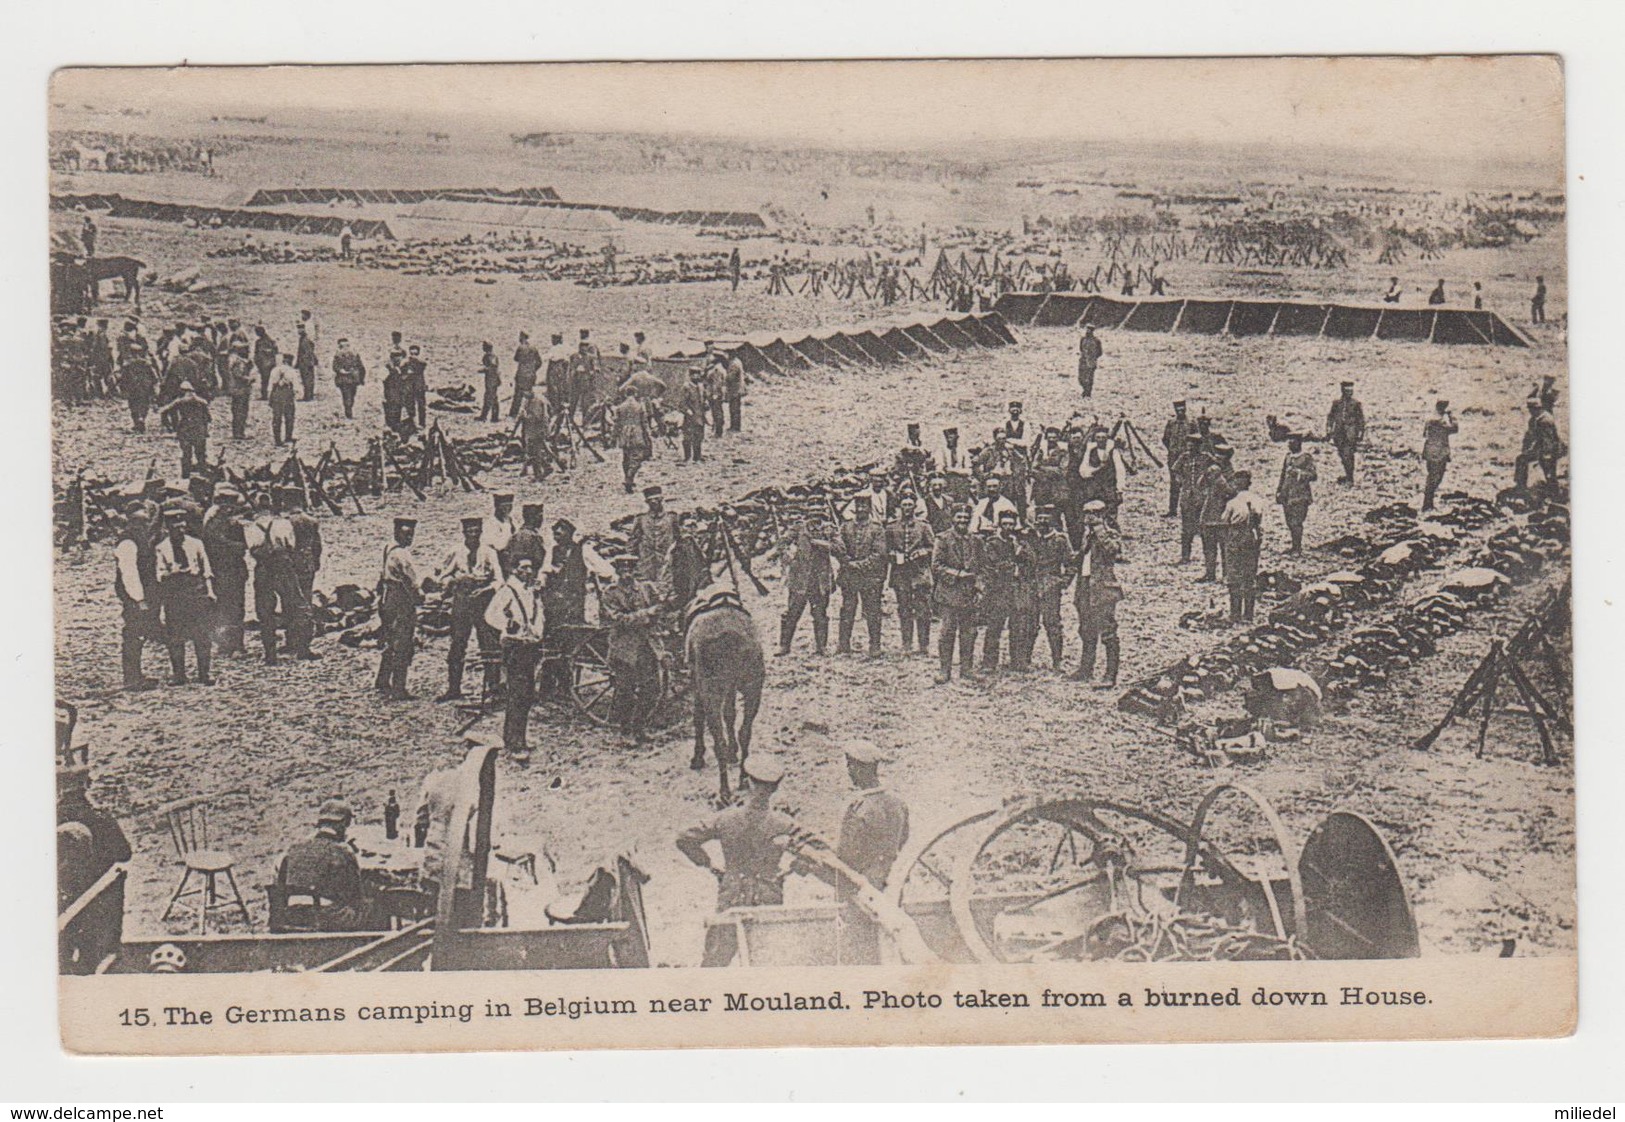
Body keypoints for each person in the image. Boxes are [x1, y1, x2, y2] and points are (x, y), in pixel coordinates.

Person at [676, 755, 800, 967]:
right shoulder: (785, 824)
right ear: (775, 789)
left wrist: (710, 865)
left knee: (714, 963)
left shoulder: (725, 819)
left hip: (732, 894)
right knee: (767, 962)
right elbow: (818, 849)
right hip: (768, 895)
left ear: (748, 782)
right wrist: (793, 868)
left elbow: (684, 838)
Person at [832, 740, 910, 965]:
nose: (849, 772)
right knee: (891, 937)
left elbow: (846, 855)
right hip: (893, 883)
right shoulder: (898, 804)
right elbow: (904, 841)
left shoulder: (859, 809)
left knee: (862, 947)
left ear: (857, 769)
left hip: (864, 888)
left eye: (850, 767)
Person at [484, 556, 544, 763]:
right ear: (515, 570)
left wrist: (537, 633)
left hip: (529, 645)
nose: (528, 571)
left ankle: (519, 737)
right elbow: (491, 614)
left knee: (526, 694)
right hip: (515, 647)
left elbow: (538, 615)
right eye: (523, 567)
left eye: (530, 567)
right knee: (518, 693)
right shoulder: (507, 591)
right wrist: (508, 625)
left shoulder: (529, 592)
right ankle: (513, 743)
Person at [600, 556, 662, 745]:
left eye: (630, 568)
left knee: (652, 690)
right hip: (624, 649)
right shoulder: (610, 593)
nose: (626, 572)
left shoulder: (646, 589)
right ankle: (625, 732)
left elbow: (659, 609)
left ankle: (639, 727)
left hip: (646, 646)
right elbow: (619, 619)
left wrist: (657, 612)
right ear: (617, 571)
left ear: (634, 570)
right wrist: (646, 614)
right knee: (625, 691)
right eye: (622, 569)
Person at [275, 799, 363, 932]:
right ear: (343, 824)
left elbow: (279, 886)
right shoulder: (342, 851)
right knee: (370, 905)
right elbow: (354, 892)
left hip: (291, 914)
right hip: (325, 916)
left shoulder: (294, 848)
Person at [247, 491, 314, 664]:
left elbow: (251, 550)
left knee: (265, 611)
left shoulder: (251, 527)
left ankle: (270, 655)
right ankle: (302, 649)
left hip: (263, 569)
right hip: (283, 567)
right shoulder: (282, 524)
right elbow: (291, 545)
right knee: (297, 605)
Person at [155, 502, 216, 686]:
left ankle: (205, 673)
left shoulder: (195, 543)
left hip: (196, 590)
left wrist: (210, 591)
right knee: (175, 636)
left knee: (202, 635)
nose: (179, 530)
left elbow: (206, 569)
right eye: (175, 526)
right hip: (175, 593)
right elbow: (159, 574)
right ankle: (179, 674)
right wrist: (172, 572)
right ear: (168, 528)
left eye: (182, 526)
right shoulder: (162, 548)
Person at [1071, 501, 1123, 687]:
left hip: (1103, 588)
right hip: (1085, 586)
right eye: (1086, 513)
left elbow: (1113, 551)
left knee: (1108, 631)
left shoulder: (1109, 533)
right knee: (1086, 629)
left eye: (1093, 514)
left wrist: (1099, 529)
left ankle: (1110, 674)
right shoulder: (1087, 536)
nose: (1088, 518)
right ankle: (1086, 669)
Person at [375, 517, 426, 700]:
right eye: (406, 534)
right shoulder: (402, 554)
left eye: (411, 534)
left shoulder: (389, 547)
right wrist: (420, 596)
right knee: (403, 643)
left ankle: (382, 679)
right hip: (400, 599)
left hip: (388, 597)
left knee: (390, 638)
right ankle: (399, 687)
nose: (409, 538)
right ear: (397, 532)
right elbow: (411, 580)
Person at [113, 508, 160, 691]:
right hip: (134, 596)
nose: (144, 526)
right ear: (133, 523)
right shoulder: (128, 542)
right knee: (133, 634)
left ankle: (136, 675)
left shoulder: (138, 539)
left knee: (139, 633)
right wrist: (138, 598)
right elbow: (129, 573)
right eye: (141, 523)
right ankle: (132, 679)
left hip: (142, 593)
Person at [837, 494, 888, 658]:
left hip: (870, 577)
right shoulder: (845, 527)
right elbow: (839, 548)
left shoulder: (877, 529)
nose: (860, 509)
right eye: (858, 506)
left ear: (869, 508)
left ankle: (875, 645)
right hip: (849, 577)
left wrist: (857, 565)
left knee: (873, 611)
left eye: (864, 506)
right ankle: (843, 645)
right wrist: (845, 561)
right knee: (847, 611)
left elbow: (879, 554)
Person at [932, 505, 978, 684]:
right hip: (949, 593)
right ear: (953, 518)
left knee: (969, 632)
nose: (963, 520)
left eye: (966, 517)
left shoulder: (976, 540)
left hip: (969, 593)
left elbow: (983, 567)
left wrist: (979, 586)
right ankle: (945, 670)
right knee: (947, 632)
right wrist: (957, 575)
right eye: (959, 517)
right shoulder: (943, 539)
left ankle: (966, 669)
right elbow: (936, 566)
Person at [778, 511, 835, 656]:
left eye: (818, 518)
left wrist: (822, 543)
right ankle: (784, 646)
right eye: (812, 516)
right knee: (792, 613)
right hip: (800, 580)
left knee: (820, 614)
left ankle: (821, 647)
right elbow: (781, 543)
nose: (815, 522)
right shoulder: (798, 529)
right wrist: (788, 557)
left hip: (820, 580)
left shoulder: (829, 529)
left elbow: (839, 547)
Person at [200, 486, 248, 657]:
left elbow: (242, 547)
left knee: (228, 608)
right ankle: (230, 645)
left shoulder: (214, 523)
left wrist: (222, 543)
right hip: (227, 571)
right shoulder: (218, 525)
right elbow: (241, 547)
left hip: (227, 570)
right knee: (230, 608)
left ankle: (233, 645)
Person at [1028, 506, 1075, 671]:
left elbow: (1070, 564)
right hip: (1031, 585)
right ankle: (1025, 660)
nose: (1042, 522)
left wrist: (1063, 582)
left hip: (1050, 587)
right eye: (1039, 518)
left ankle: (1057, 661)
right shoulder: (1030, 538)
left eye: (1045, 519)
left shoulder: (1060, 540)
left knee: (1052, 624)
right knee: (1030, 622)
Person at [976, 509, 1021, 672]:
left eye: (1011, 524)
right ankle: (989, 662)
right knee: (995, 626)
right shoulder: (992, 543)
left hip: (1015, 590)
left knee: (1017, 626)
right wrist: (1014, 561)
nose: (1008, 527)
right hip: (998, 590)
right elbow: (995, 566)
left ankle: (1017, 661)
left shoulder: (1016, 541)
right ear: (999, 524)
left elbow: (1027, 562)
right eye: (1005, 524)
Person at [1221, 470, 1267, 624]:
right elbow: (1259, 519)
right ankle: (1248, 615)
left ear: (1236, 484)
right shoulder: (1257, 500)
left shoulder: (1232, 503)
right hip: (1252, 537)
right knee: (1249, 574)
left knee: (1234, 575)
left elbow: (1225, 521)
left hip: (1236, 537)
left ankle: (1235, 614)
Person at [1197, 444, 1236, 582]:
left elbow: (1232, 492)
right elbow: (1200, 485)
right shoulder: (1211, 471)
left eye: (1221, 456)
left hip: (1223, 516)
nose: (1217, 459)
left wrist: (1219, 479)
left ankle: (1227, 574)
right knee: (1208, 546)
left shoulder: (1231, 474)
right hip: (1208, 514)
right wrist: (1206, 474)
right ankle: (1210, 572)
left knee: (1225, 547)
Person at [627, 485, 678, 591]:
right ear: (647, 502)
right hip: (646, 563)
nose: (654, 502)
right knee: (645, 590)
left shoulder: (672, 518)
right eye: (650, 500)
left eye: (656, 499)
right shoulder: (641, 519)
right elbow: (633, 541)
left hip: (667, 562)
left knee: (668, 589)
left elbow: (679, 539)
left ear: (661, 500)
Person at [158, 380, 211, 478]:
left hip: (185, 430)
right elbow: (208, 418)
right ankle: (203, 475)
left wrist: (169, 426)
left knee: (186, 454)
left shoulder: (179, 401)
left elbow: (164, 411)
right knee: (201, 454)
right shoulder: (202, 402)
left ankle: (185, 476)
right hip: (199, 430)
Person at [1275, 436, 1317, 554]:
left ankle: (1297, 548)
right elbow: (1282, 475)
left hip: (1300, 494)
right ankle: (1294, 546)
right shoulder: (1288, 457)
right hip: (1287, 494)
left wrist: (1299, 473)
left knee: (1296, 522)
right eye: (1289, 441)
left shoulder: (1306, 458)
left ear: (1299, 443)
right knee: (1289, 522)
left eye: (1292, 441)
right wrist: (1279, 491)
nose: (1290, 444)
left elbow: (1313, 475)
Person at [1514, 397, 1564, 491]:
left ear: (1538, 408)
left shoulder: (1545, 420)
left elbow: (1548, 440)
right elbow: (1529, 436)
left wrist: (1546, 455)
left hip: (1552, 450)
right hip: (1540, 449)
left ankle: (1555, 494)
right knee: (1521, 459)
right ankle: (1520, 486)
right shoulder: (1534, 420)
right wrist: (1525, 450)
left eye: (1532, 409)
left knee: (1549, 472)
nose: (1530, 411)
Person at [287, 490, 323, 615]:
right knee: (307, 589)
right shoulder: (312, 521)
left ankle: (294, 618)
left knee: (291, 591)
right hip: (308, 559)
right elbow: (317, 545)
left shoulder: (286, 522)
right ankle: (307, 617)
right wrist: (317, 560)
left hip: (291, 560)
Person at [1420, 399, 1458, 512]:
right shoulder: (1440, 421)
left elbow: (1424, 434)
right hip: (1439, 453)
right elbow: (1455, 429)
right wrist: (1452, 416)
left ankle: (1428, 504)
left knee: (1431, 477)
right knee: (1436, 478)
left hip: (1430, 451)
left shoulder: (1429, 419)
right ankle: (1427, 504)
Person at [1325, 381, 1366, 484]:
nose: (1349, 393)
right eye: (1347, 391)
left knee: (1349, 455)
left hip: (1350, 434)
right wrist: (1329, 428)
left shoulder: (1356, 404)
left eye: (1351, 391)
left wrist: (1360, 433)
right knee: (1342, 455)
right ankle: (1348, 475)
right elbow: (1331, 416)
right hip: (1338, 434)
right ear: (1342, 391)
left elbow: (1360, 419)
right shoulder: (1336, 403)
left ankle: (1350, 478)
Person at [612, 389, 650, 493]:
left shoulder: (620, 407)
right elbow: (644, 422)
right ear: (635, 394)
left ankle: (627, 477)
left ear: (626, 394)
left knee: (626, 457)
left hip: (624, 434)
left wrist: (613, 437)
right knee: (637, 457)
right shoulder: (640, 406)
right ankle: (629, 477)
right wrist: (648, 436)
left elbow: (616, 423)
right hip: (637, 433)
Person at [1161, 400, 1194, 518]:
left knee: (1188, 483)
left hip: (1187, 458)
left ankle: (1188, 510)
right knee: (1174, 483)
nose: (1180, 412)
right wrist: (1172, 450)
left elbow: (1197, 439)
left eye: (1182, 409)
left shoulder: (1191, 423)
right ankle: (1172, 510)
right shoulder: (1171, 423)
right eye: (1178, 410)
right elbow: (1165, 439)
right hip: (1174, 458)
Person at [119, 341, 157, 432]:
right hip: (145, 387)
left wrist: (123, 388)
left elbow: (123, 378)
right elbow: (153, 376)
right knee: (144, 404)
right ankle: (142, 418)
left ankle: (137, 422)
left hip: (133, 387)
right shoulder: (146, 363)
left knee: (133, 404)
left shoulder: (127, 364)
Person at [481, 492, 520, 574]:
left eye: (510, 506)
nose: (508, 509)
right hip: (497, 556)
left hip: (510, 553)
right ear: (497, 507)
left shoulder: (509, 520)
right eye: (504, 507)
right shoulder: (491, 523)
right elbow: (497, 545)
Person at [224, 345, 255, 440]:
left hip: (241, 390)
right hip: (240, 390)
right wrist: (250, 379)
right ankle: (238, 433)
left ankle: (239, 432)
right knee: (240, 412)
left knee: (241, 411)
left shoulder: (240, 361)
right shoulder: (239, 362)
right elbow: (238, 375)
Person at [678, 365, 707, 463]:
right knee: (688, 437)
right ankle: (687, 457)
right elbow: (682, 403)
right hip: (690, 417)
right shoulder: (686, 387)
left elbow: (704, 399)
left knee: (699, 436)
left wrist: (706, 404)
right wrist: (688, 411)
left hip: (700, 416)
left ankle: (697, 456)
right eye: (694, 374)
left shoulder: (701, 386)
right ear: (690, 375)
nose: (696, 377)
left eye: (698, 374)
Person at [331, 338, 365, 419]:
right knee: (346, 396)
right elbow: (335, 366)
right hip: (343, 380)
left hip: (353, 379)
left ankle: (349, 407)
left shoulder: (355, 355)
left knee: (352, 395)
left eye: (347, 345)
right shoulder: (337, 356)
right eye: (342, 346)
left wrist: (361, 378)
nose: (345, 348)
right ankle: (348, 412)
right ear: (339, 347)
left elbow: (361, 367)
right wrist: (340, 370)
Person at [511, 331, 542, 417]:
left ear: (522, 337)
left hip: (521, 374)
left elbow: (516, 358)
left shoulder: (521, 348)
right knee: (529, 393)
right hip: (531, 375)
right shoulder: (534, 348)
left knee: (518, 394)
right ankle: (530, 411)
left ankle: (514, 413)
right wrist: (533, 369)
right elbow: (539, 362)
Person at [268, 357, 298, 446]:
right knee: (289, 416)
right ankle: (288, 436)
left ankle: (277, 439)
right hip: (287, 393)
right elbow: (295, 385)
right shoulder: (291, 371)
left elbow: (270, 384)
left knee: (277, 417)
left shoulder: (275, 370)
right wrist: (295, 394)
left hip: (276, 393)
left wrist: (270, 396)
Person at [403, 345, 428, 429]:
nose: (413, 355)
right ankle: (412, 422)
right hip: (410, 387)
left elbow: (424, 364)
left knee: (421, 406)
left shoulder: (420, 362)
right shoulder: (407, 363)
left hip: (419, 386)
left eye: (415, 353)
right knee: (410, 405)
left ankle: (422, 423)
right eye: (411, 353)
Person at [1077, 324, 1103, 397]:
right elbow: (1081, 349)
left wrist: (1093, 357)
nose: (1088, 331)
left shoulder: (1096, 341)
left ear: (1092, 331)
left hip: (1091, 362)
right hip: (1083, 361)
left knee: (1089, 378)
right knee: (1081, 378)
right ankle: (1085, 390)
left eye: (1090, 330)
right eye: (1087, 329)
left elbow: (1100, 352)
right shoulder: (1083, 339)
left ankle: (1087, 393)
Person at [294, 322, 318, 401]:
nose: (299, 331)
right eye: (298, 329)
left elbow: (308, 352)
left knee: (307, 380)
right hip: (304, 363)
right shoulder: (302, 339)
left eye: (300, 329)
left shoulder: (306, 340)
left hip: (306, 363)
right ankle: (308, 395)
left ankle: (308, 396)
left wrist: (307, 362)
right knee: (306, 379)